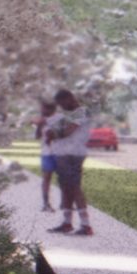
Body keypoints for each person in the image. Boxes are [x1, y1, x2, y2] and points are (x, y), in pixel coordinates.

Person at [45, 89, 95, 236]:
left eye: (62, 103)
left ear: (69, 98)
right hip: (63, 154)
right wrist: (53, 133)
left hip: (73, 154)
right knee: (66, 187)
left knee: (74, 187)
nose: (61, 107)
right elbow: (52, 131)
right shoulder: (71, 115)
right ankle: (67, 223)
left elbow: (67, 131)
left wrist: (54, 133)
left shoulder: (82, 112)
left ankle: (86, 225)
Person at [33, 99, 58, 212]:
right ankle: (46, 203)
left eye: (43, 108)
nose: (41, 110)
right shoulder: (41, 121)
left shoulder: (59, 119)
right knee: (46, 178)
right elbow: (37, 137)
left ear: (51, 109)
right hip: (47, 153)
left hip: (60, 153)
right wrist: (39, 126)